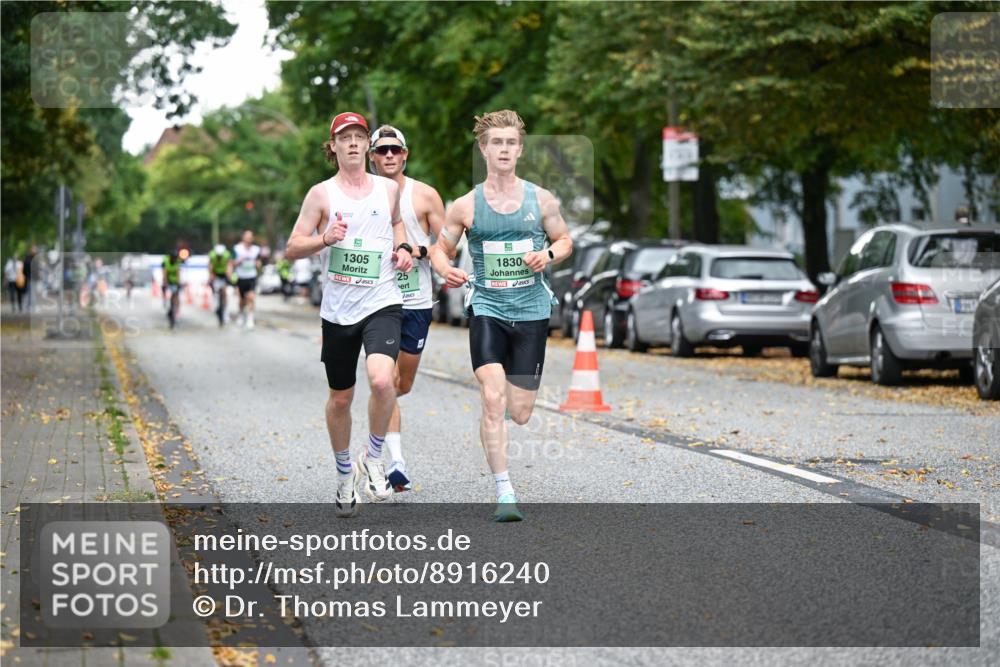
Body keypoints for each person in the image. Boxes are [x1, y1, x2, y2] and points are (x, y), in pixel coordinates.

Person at [430, 110, 572, 522]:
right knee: (492, 398)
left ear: (520, 149)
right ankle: (505, 492)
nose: (504, 149)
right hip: (488, 308)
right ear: (484, 149)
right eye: (497, 143)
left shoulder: (541, 199)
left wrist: (546, 254)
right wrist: (445, 269)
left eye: (511, 142)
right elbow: (441, 248)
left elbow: (564, 241)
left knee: (521, 411)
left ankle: (506, 417)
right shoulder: (465, 205)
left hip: (531, 310)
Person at [284, 111, 414, 518]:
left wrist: (405, 249)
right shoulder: (321, 195)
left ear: (367, 146)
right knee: (340, 399)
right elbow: (292, 247)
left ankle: (374, 457)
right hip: (339, 311)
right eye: (346, 138)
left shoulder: (387, 189)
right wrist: (324, 238)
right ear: (334, 146)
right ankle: (345, 474)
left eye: (360, 137)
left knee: (381, 379)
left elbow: (397, 225)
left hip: (383, 301)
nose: (354, 143)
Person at [368, 124, 448, 492]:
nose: (388, 156)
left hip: (416, 299)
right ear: (371, 157)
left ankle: (378, 426)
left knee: (403, 384)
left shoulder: (426, 196)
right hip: (376, 302)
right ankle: (394, 462)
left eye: (394, 151)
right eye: (381, 151)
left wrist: (415, 251)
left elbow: (446, 247)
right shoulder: (359, 196)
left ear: (405, 155)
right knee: (387, 381)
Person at [231, 230, 262, 329]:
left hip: (251, 277)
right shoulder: (237, 249)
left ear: (252, 238)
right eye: (247, 237)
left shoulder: (256, 249)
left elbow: (259, 262)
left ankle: (250, 318)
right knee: (242, 300)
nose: (248, 239)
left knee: (251, 298)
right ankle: (240, 314)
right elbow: (232, 263)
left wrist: (258, 264)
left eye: (250, 237)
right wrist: (239, 261)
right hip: (240, 277)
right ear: (243, 238)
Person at [208, 243, 233, 326]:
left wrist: (229, 276)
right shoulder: (212, 255)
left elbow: (229, 266)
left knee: (224, 293)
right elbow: (210, 267)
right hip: (216, 274)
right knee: (215, 290)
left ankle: (225, 312)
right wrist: (211, 276)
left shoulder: (226, 255)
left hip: (224, 274)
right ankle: (216, 303)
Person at [162, 248, 184, 329]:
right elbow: (164, 274)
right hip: (168, 280)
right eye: (173, 258)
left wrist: (179, 283)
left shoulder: (177, 262)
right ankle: (166, 304)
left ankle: (176, 310)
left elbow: (178, 273)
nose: (175, 259)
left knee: (176, 296)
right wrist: (165, 283)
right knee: (166, 293)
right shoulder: (166, 262)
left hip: (175, 281)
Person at [23, 245, 36, 311]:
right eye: (34, 249)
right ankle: (30, 306)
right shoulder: (29, 258)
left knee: (31, 292)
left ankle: (29, 306)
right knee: (31, 292)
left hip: (31, 277)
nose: (35, 250)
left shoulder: (34, 257)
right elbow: (25, 268)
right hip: (29, 277)